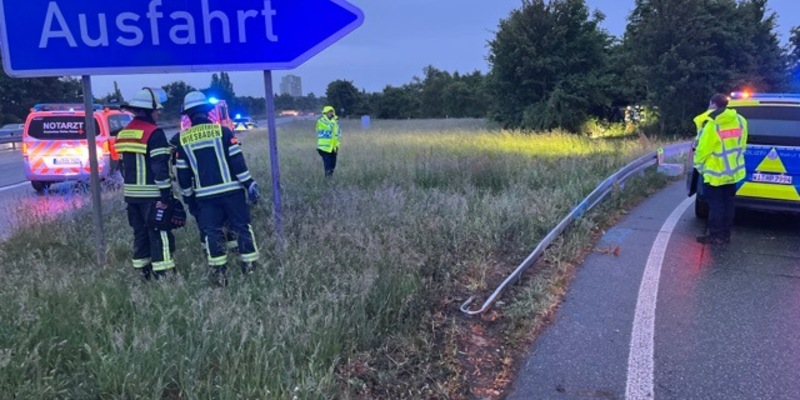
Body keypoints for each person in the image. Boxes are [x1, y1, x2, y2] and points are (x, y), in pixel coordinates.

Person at [174, 91, 261, 286]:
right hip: (233, 193)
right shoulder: (224, 132)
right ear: (208, 111)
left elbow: (183, 175)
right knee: (242, 228)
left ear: (187, 115)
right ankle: (250, 270)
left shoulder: (183, 140)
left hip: (205, 197)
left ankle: (219, 275)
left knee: (212, 233)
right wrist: (250, 184)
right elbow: (238, 163)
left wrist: (188, 198)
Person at [115, 88, 178, 280]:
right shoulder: (154, 133)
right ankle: (164, 274)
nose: (159, 113)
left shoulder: (124, 133)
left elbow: (122, 166)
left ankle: (144, 273)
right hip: (152, 195)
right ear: (148, 110)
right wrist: (166, 196)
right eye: (157, 110)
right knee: (160, 233)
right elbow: (160, 167)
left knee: (140, 234)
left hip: (131, 196)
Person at [693, 93, 748, 245]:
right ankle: (726, 235)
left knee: (716, 205)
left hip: (715, 174)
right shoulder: (740, 120)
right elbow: (742, 144)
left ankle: (716, 235)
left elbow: (703, 150)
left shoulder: (712, 124)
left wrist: (699, 166)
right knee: (728, 204)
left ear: (713, 105)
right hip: (733, 172)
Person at [316, 105, 340, 177]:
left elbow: (337, 134)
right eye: (329, 112)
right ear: (325, 113)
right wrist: (334, 120)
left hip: (333, 148)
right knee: (328, 165)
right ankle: (327, 180)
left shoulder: (334, 122)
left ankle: (330, 178)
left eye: (332, 112)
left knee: (333, 165)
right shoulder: (321, 121)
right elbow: (329, 127)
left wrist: (337, 146)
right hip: (324, 148)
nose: (331, 113)